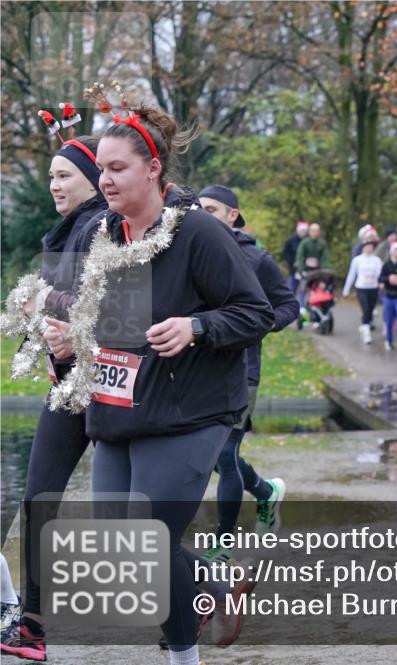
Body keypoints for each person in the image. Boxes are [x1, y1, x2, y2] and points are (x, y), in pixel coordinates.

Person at [41, 100, 273, 665]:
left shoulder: (197, 233)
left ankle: (183, 658)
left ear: (152, 170)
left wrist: (198, 325)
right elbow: (118, 320)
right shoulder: (103, 232)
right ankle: (217, 587)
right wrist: (76, 337)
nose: (105, 179)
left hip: (192, 410)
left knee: (146, 538)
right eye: (101, 169)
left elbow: (256, 311)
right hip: (122, 407)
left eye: (117, 168)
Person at [0, 131, 106, 663]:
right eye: (49, 176)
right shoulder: (68, 230)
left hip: (107, 386)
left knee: (120, 517)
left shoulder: (99, 227)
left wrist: (62, 323)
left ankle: (207, 591)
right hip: (70, 385)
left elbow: (109, 308)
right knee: (40, 498)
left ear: (93, 177)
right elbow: (61, 307)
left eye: (63, 175)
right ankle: (31, 627)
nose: (52, 185)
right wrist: (43, 335)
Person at [198, 185, 298, 561]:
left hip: (242, 371)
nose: (202, 214)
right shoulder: (191, 249)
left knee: (224, 455)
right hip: (198, 368)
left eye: (211, 209)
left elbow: (289, 306)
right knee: (207, 455)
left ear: (232, 216)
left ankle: (224, 545)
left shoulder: (256, 259)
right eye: (198, 208)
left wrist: (258, 324)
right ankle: (265, 492)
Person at [343, 236, 383, 344]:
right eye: (367, 246)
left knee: (370, 309)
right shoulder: (357, 260)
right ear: (362, 248)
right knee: (365, 308)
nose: (369, 249)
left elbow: (380, 274)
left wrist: (382, 284)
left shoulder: (377, 260)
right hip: (361, 287)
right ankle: (366, 332)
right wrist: (346, 290)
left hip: (373, 287)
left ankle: (365, 324)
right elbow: (352, 275)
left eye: (371, 247)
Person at [282, 220, 309, 300]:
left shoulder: (308, 241)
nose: (302, 232)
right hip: (293, 270)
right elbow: (285, 254)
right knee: (291, 289)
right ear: (297, 230)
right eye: (301, 230)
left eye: (304, 231)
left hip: (305, 270)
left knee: (304, 289)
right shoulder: (290, 241)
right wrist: (292, 263)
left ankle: (302, 308)